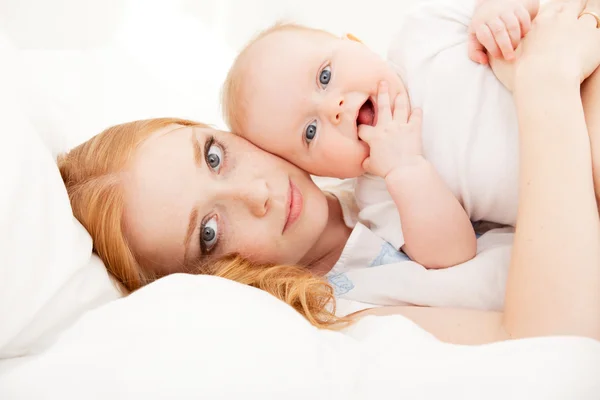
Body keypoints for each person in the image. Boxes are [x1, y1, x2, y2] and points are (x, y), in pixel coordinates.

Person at [58, 0, 600, 343]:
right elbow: (558, 338)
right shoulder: (342, 309)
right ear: (211, 282)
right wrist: (544, 81)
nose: (257, 193)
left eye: (215, 155)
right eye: (208, 233)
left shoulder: (364, 170)